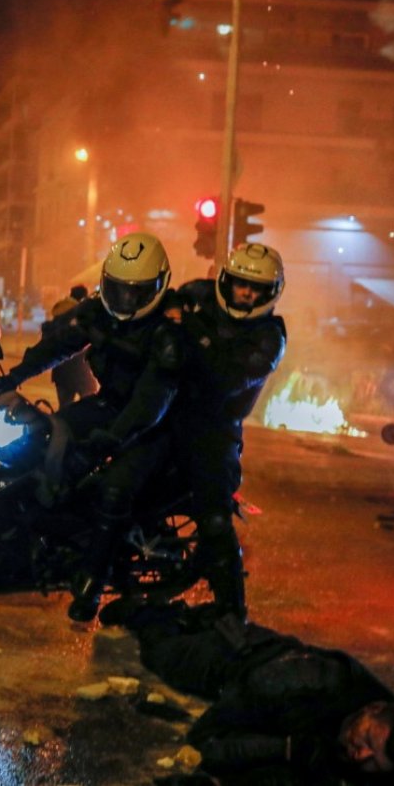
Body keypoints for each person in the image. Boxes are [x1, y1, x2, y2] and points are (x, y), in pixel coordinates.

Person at [0, 231, 183, 623]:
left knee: (113, 490)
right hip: (109, 402)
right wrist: (17, 375)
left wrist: (109, 441)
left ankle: (92, 581)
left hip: (153, 425)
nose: (125, 301)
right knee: (47, 436)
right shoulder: (98, 312)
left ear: (158, 287)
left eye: (136, 293)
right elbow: (61, 343)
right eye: (119, 290)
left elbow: (150, 402)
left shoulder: (167, 334)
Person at [131, 605, 394, 786]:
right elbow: (206, 741)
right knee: (159, 653)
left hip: (277, 704)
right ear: (371, 710)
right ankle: (157, 612)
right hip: (247, 663)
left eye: (375, 762)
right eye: (366, 741)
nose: (359, 755)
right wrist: (287, 748)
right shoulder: (300, 684)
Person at [165, 243, 287, 620]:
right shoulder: (199, 295)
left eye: (257, 289)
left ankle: (233, 609)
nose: (247, 293)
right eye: (240, 284)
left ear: (270, 294)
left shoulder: (269, 336)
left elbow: (225, 379)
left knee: (214, 517)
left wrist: (191, 329)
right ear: (226, 281)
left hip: (215, 427)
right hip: (167, 408)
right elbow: (166, 298)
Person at [46, 284, 98, 408]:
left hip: (61, 372)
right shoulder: (80, 313)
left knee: (64, 409)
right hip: (80, 370)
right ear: (83, 298)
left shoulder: (59, 313)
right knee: (90, 405)